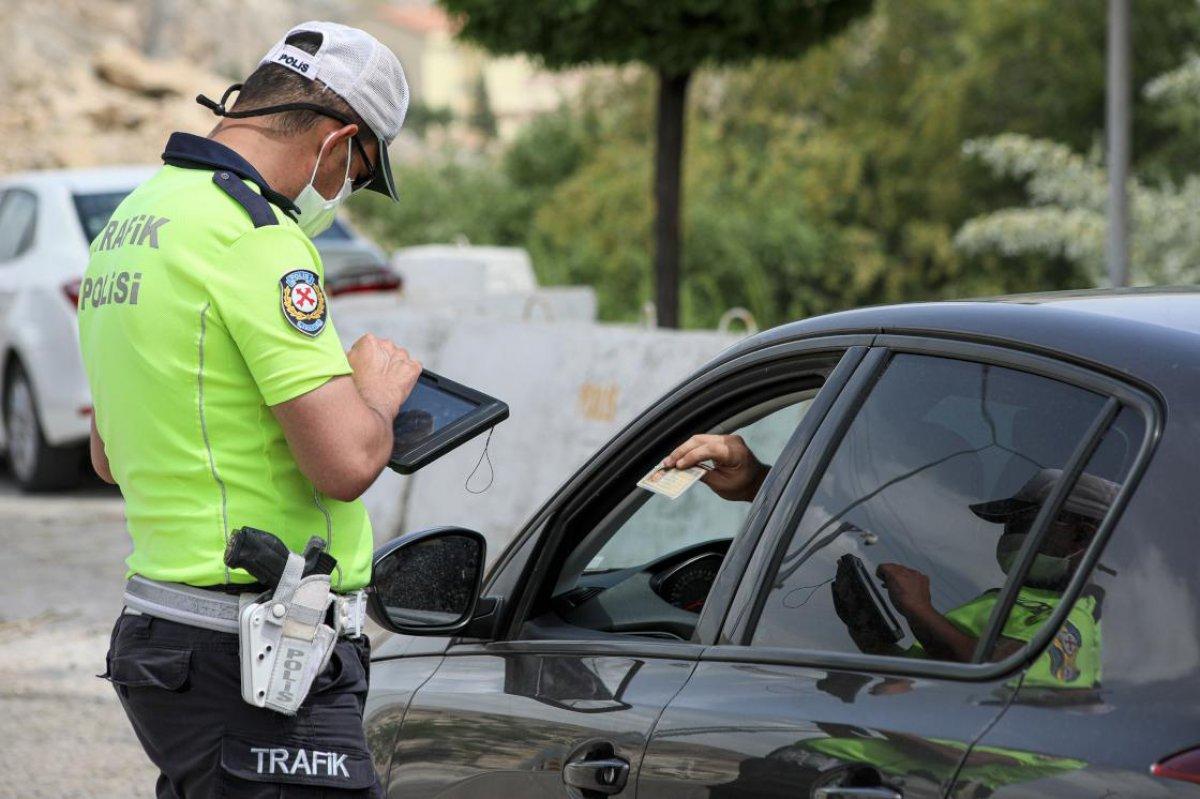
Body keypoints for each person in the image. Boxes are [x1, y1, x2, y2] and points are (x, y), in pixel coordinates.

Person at [80, 22, 416, 798]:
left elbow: (108, 452)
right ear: (339, 143)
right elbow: (346, 462)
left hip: (166, 637)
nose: (341, 193)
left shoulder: (132, 221)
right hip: (257, 653)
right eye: (360, 174)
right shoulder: (257, 236)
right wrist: (374, 391)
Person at [664, 434, 1110, 687]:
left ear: (1084, 538)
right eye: (1011, 526)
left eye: (1030, 526)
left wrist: (918, 609)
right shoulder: (1003, 595)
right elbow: (930, 678)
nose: (1013, 538)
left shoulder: (1072, 622)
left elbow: (992, 668)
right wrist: (870, 636)